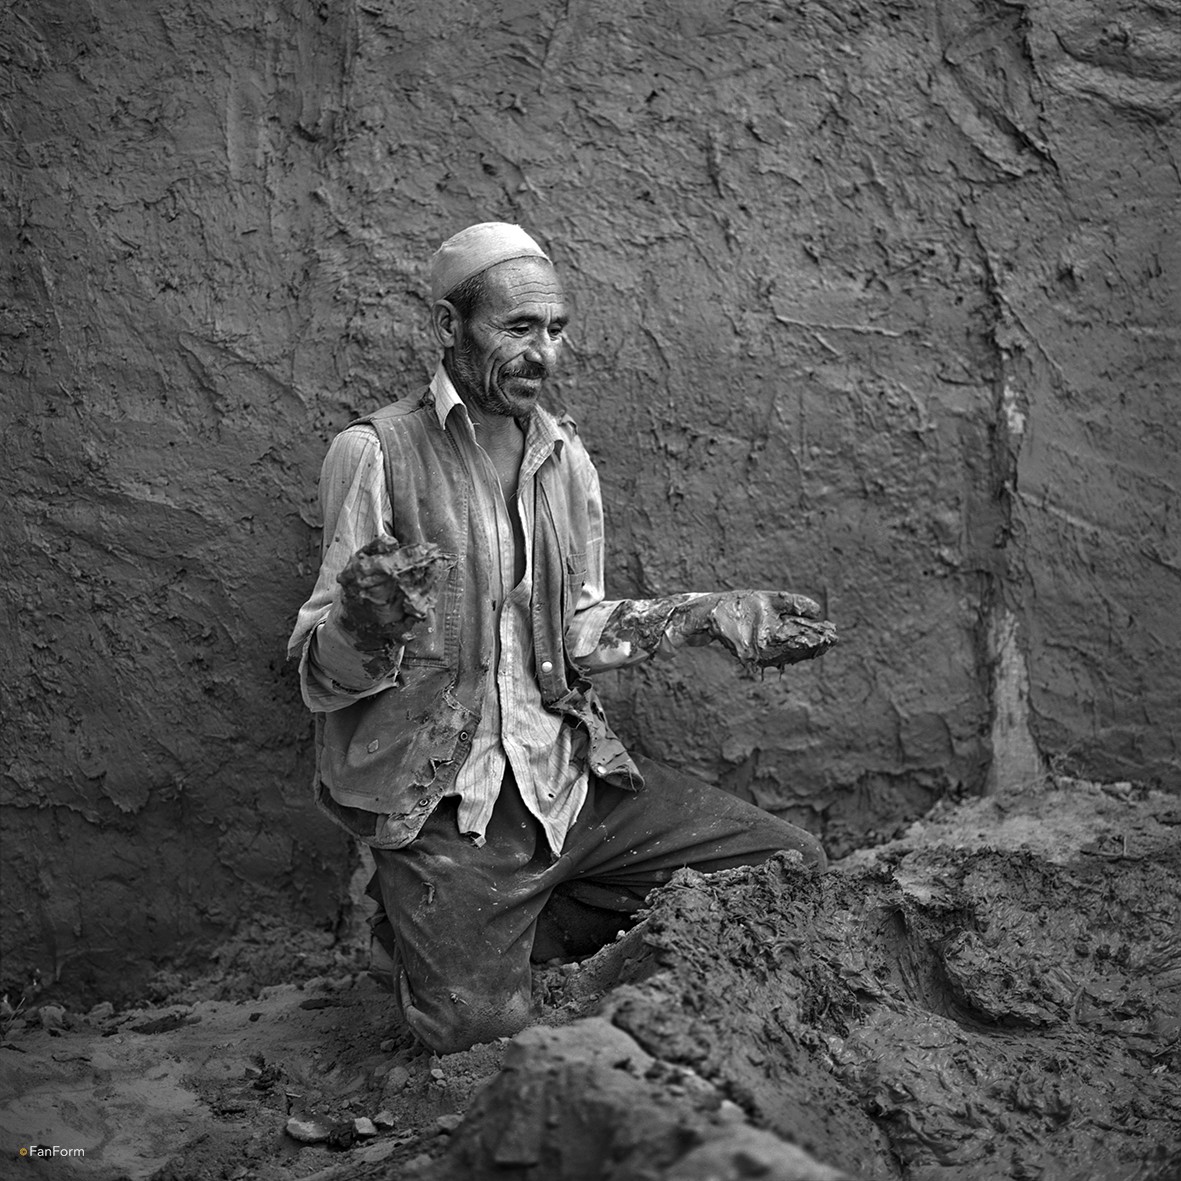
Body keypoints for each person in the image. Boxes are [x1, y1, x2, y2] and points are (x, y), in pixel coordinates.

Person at [288, 222, 836, 1055]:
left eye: (555, 329)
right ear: (448, 326)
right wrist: (362, 628)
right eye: (518, 328)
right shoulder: (374, 453)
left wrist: (707, 615)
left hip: (568, 782)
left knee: (786, 865)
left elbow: (575, 626)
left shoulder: (562, 454)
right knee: (475, 1031)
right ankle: (429, 931)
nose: (542, 353)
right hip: (450, 806)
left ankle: (501, 922)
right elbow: (315, 680)